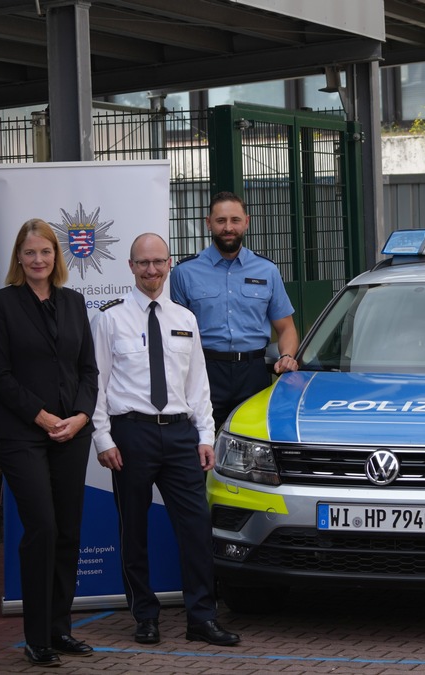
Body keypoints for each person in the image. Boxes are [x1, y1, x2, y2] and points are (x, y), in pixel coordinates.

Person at [91, 233, 240, 647]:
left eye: (158, 262)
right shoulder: (110, 318)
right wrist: (103, 438)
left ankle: (202, 618)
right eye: (143, 263)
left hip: (179, 435)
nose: (151, 270)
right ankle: (145, 616)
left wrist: (205, 435)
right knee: (133, 530)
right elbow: (98, 385)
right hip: (131, 433)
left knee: (195, 528)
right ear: (131, 266)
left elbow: (198, 386)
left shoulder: (184, 319)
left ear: (169, 263)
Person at [0, 218, 99, 666]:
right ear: (18, 257)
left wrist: (81, 416)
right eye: (30, 253)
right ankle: (36, 637)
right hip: (22, 435)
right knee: (43, 529)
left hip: (72, 433)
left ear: (57, 257)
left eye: (46, 252)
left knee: (69, 532)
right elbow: (0, 376)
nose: (38, 260)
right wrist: (42, 416)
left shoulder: (73, 302)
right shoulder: (1, 305)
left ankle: (59, 628)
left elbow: (89, 370)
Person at [169, 191, 299, 430]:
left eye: (235, 220)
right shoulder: (184, 273)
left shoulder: (267, 270)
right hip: (204, 371)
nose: (228, 227)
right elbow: (175, 333)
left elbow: (286, 327)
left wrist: (287, 356)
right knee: (201, 444)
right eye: (221, 221)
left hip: (254, 373)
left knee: (254, 440)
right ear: (208, 223)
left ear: (246, 222)